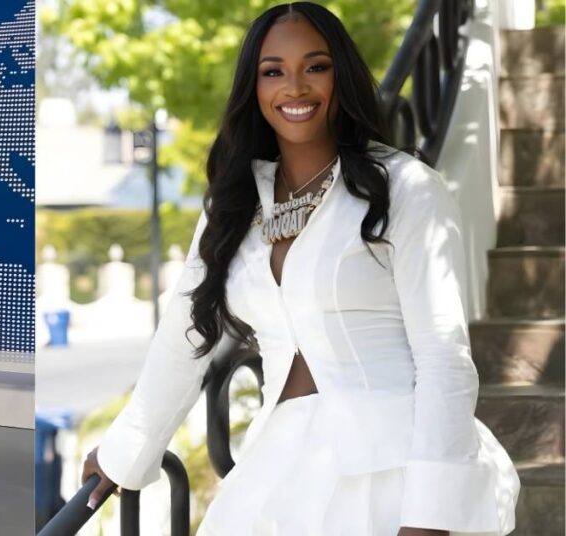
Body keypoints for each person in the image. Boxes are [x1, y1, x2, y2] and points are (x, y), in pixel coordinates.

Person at [82, 4, 519, 535]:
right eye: (273, 71)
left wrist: (427, 519)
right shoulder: (233, 206)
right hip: (281, 467)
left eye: (315, 66)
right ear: (254, 86)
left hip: (394, 468)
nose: (294, 87)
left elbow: (444, 360)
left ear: (342, 76)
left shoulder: (405, 189)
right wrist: (124, 454)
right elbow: (183, 336)